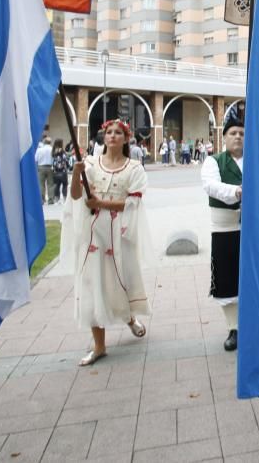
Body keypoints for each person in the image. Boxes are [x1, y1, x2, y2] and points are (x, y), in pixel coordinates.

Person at [63, 119, 151, 366]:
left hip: (119, 231)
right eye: (108, 132)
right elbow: (76, 196)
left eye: (118, 133)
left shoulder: (134, 168)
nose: (112, 136)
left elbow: (132, 203)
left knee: (120, 280)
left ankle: (129, 318)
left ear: (126, 139)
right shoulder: (90, 163)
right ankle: (99, 345)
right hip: (93, 233)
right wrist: (76, 174)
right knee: (92, 284)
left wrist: (101, 204)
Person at [203, 117, 245, 352]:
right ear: (224, 137)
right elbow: (210, 186)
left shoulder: (255, 161)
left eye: (241, 133)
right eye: (233, 133)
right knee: (227, 278)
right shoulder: (213, 161)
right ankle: (234, 328)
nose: (237, 136)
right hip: (224, 228)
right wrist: (238, 191)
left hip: (252, 228)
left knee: (251, 276)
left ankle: (254, 323)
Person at [34, 137, 54, 205]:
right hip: (50, 167)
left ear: (44, 142)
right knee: (50, 184)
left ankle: (42, 199)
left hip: (41, 167)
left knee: (41, 184)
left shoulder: (39, 150)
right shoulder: (52, 149)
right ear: (50, 142)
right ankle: (51, 199)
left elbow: (36, 159)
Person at [52, 139, 69, 204]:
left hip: (56, 171)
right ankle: (64, 198)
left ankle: (57, 198)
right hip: (63, 171)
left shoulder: (53, 151)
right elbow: (65, 160)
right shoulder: (62, 151)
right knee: (64, 185)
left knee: (57, 185)